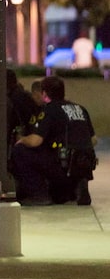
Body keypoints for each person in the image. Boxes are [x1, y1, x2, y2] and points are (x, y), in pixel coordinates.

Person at [11, 76, 98, 206]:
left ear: (44, 93)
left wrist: (21, 139)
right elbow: (93, 140)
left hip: (63, 164)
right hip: (84, 164)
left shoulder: (50, 109)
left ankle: (39, 194)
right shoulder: (80, 108)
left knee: (20, 151)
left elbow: (35, 141)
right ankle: (77, 186)